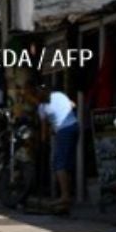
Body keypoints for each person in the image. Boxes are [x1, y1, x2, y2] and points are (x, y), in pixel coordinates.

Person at [37, 83, 79, 213]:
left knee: (59, 164)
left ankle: (65, 196)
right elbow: (73, 105)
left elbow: (44, 130)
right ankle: (67, 196)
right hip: (74, 126)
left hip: (63, 130)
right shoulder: (59, 95)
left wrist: (43, 143)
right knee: (67, 164)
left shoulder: (42, 107)